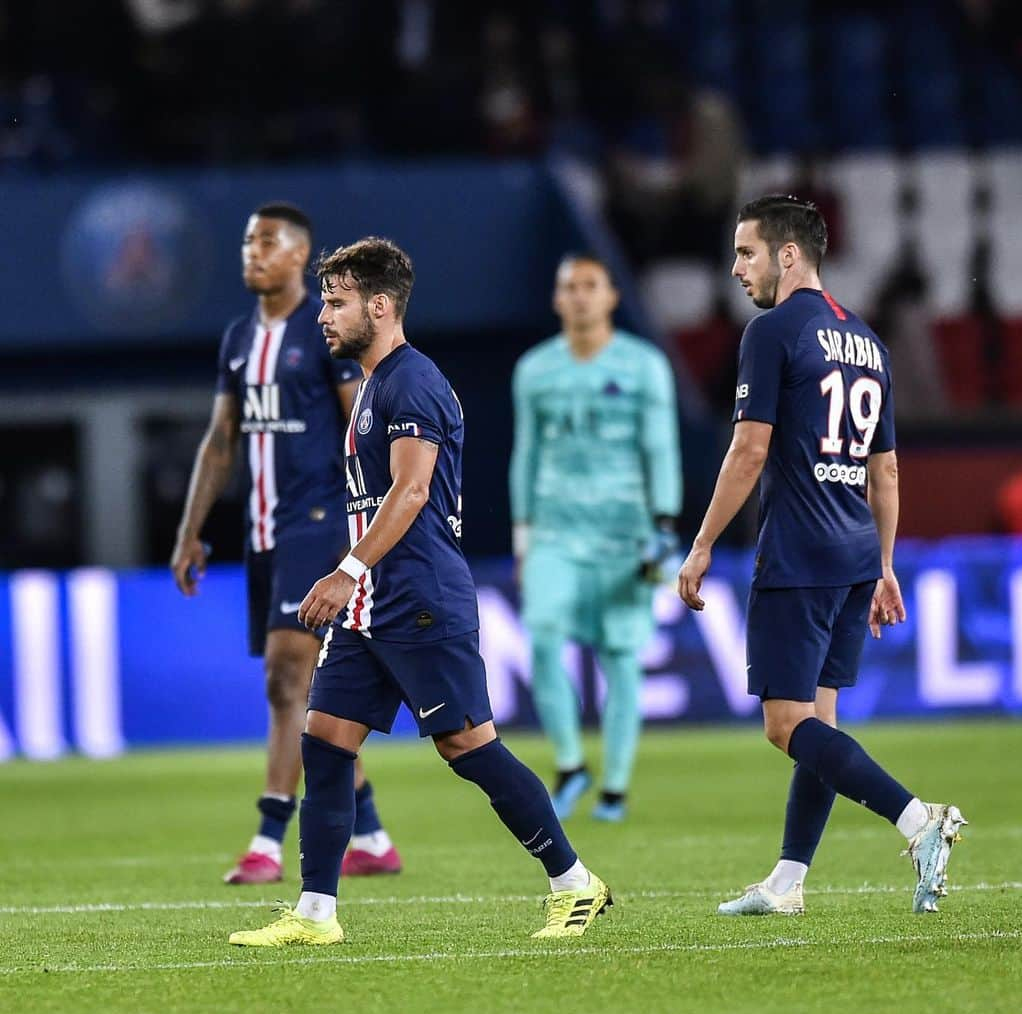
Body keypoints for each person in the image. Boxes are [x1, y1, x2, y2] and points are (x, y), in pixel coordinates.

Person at [229, 237, 611, 946]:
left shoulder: (412, 382)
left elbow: (411, 492)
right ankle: (316, 915)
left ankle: (574, 882)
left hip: (418, 595)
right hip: (374, 605)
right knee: (326, 740)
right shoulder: (375, 386)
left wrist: (346, 570)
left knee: (468, 746)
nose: (324, 316)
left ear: (380, 305)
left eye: (338, 302)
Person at [676, 195, 967, 916]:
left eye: (747, 252)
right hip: (855, 554)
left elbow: (749, 448)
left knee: (785, 725)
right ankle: (787, 882)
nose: (737, 268)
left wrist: (704, 542)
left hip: (801, 551)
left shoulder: (773, 331)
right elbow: (887, 469)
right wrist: (887, 564)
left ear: (788, 254)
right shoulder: (868, 341)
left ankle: (917, 819)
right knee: (818, 726)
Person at [171, 204, 400, 885]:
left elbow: (360, 425)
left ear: (299, 255)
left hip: (320, 523)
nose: (252, 252)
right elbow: (221, 441)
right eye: (247, 241)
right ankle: (373, 833)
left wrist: (368, 530)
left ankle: (269, 838)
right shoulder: (240, 338)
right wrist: (189, 531)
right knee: (309, 694)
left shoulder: (322, 331)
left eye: (266, 241)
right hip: (263, 534)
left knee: (285, 678)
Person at [509, 254, 682, 823]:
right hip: (555, 530)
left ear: (611, 296)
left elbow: (660, 446)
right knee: (541, 638)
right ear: (557, 300)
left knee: (621, 656)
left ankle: (615, 787)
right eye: (570, 288)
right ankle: (569, 763)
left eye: (591, 286)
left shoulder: (644, 365)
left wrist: (664, 522)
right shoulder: (534, 369)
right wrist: (522, 530)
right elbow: (526, 453)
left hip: (624, 533)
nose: (580, 296)